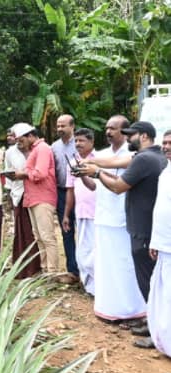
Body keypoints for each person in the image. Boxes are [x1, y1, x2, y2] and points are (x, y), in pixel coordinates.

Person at [80, 121, 168, 349]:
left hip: (143, 229)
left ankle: (157, 332)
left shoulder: (144, 159)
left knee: (149, 282)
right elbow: (114, 162)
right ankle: (152, 323)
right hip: (149, 228)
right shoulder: (154, 156)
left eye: (132, 135)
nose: (128, 139)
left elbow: (119, 186)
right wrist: (91, 164)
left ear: (145, 137)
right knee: (152, 281)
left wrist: (97, 173)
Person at [80, 116, 146, 324]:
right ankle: (108, 308)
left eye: (113, 129)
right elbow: (93, 186)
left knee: (125, 266)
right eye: (107, 128)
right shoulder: (100, 154)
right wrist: (81, 173)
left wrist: (92, 165)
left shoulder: (134, 155)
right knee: (106, 265)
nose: (108, 132)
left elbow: (115, 179)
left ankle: (131, 310)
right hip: (103, 217)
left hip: (124, 219)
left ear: (125, 132)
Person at [7, 123, 59, 274]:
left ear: (30, 136)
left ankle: (53, 271)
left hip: (43, 197)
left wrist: (23, 174)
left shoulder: (42, 149)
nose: (19, 144)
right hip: (33, 197)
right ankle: (45, 269)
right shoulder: (34, 150)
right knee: (39, 236)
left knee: (47, 236)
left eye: (21, 140)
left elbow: (40, 173)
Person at [63, 128, 97, 295]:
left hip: (97, 213)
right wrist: (66, 215)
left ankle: (98, 288)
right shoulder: (73, 161)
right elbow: (70, 190)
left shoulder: (100, 160)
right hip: (80, 212)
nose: (78, 144)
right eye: (76, 141)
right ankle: (88, 286)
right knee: (83, 252)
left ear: (91, 142)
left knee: (95, 251)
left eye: (81, 141)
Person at [4, 125, 41, 278]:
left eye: (20, 138)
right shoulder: (10, 153)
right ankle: (24, 268)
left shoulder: (38, 150)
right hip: (19, 195)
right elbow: (8, 175)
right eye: (15, 138)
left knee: (38, 231)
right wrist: (11, 196)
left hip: (37, 195)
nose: (17, 141)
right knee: (23, 232)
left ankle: (40, 266)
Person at [148, 130, 171, 356]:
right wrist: (155, 240)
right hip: (163, 243)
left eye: (170, 143)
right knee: (163, 295)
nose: (166, 146)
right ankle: (163, 339)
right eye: (164, 142)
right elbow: (160, 209)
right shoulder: (166, 172)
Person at [52, 114, 79, 282]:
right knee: (67, 230)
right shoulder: (54, 147)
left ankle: (87, 269)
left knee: (85, 232)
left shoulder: (81, 144)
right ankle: (72, 270)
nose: (60, 129)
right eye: (58, 126)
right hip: (62, 193)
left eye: (63, 126)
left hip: (81, 193)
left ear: (72, 126)